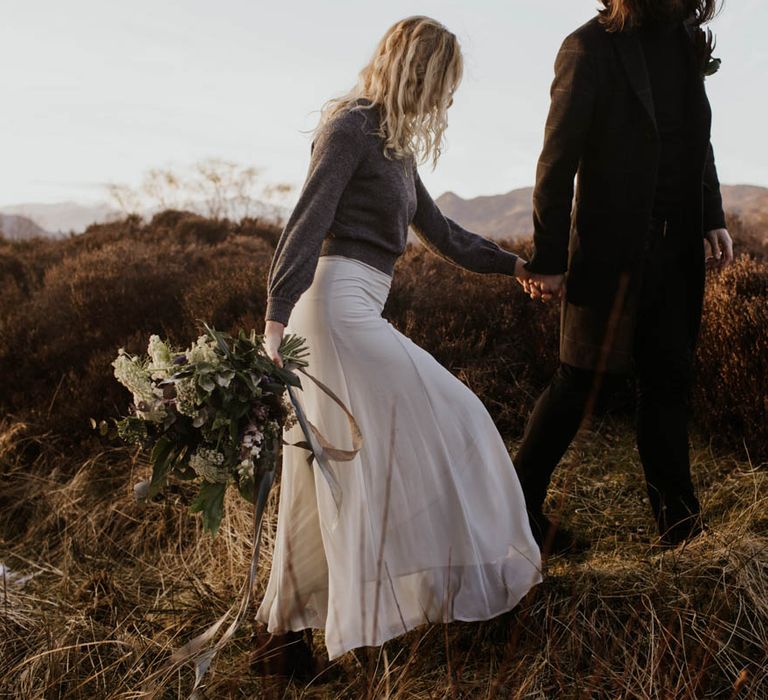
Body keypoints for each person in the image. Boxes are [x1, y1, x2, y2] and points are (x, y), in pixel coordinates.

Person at [254, 16, 542, 669]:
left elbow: (446, 235)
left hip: (355, 311)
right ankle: (419, 593)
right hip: (330, 313)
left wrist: (518, 269)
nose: (446, 99)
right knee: (458, 417)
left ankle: (287, 643)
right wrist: (275, 320)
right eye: (444, 83)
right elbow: (307, 222)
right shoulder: (352, 126)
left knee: (329, 476)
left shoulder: (396, 148)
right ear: (418, 68)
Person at [514, 0, 733, 554]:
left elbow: (695, 139)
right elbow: (555, 162)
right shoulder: (586, 47)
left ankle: (680, 533)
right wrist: (548, 259)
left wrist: (711, 216)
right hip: (608, 254)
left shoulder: (684, 36)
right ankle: (517, 511)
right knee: (580, 382)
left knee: (669, 382)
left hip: (678, 248)